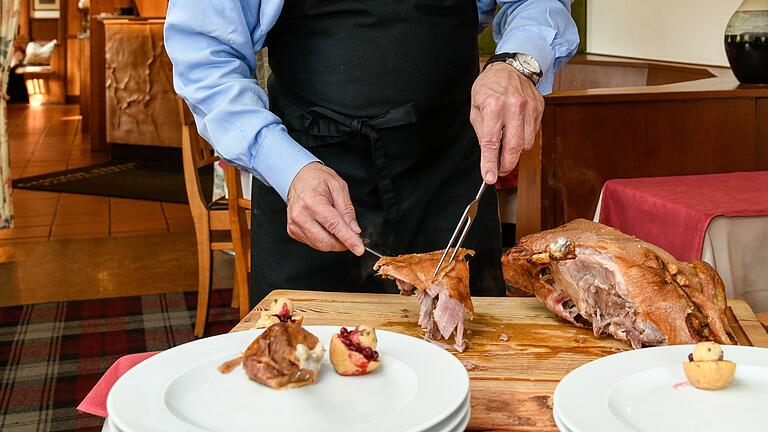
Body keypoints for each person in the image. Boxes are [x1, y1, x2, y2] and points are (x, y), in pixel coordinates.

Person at [164, 0, 579, 306]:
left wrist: (518, 64)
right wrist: (287, 167)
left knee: (472, 372)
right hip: (307, 176)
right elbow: (205, 56)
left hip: (450, 173)